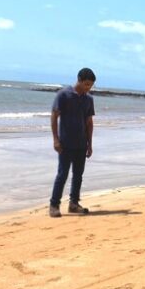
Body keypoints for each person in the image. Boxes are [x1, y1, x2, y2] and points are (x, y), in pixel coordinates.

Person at [49, 67, 96, 217]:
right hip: (65, 143)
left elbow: (89, 122)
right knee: (62, 174)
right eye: (87, 84)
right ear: (79, 80)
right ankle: (54, 205)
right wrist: (56, 139)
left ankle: (74, 204)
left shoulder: (89, 99)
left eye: (91, 85)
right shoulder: (64, 95)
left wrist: (90, 144)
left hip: (81, 145)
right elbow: (54, 116)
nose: (89, 88)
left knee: (78, 175)